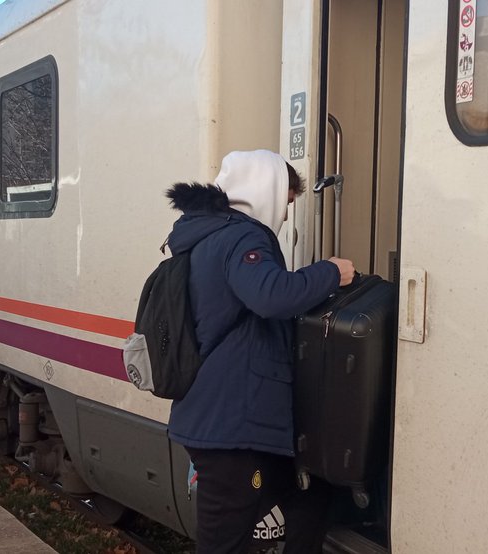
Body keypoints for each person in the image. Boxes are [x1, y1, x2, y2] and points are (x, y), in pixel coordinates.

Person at [164, 150, 355, 553]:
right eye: (286, 202)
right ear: (265, 191)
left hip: (229, 419)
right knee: (224, 544)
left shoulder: (208, 233)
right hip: (231, 423)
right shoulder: (242, 236)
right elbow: (269, 296)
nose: (286, 215)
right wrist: (331, 272)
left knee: (309, 495)